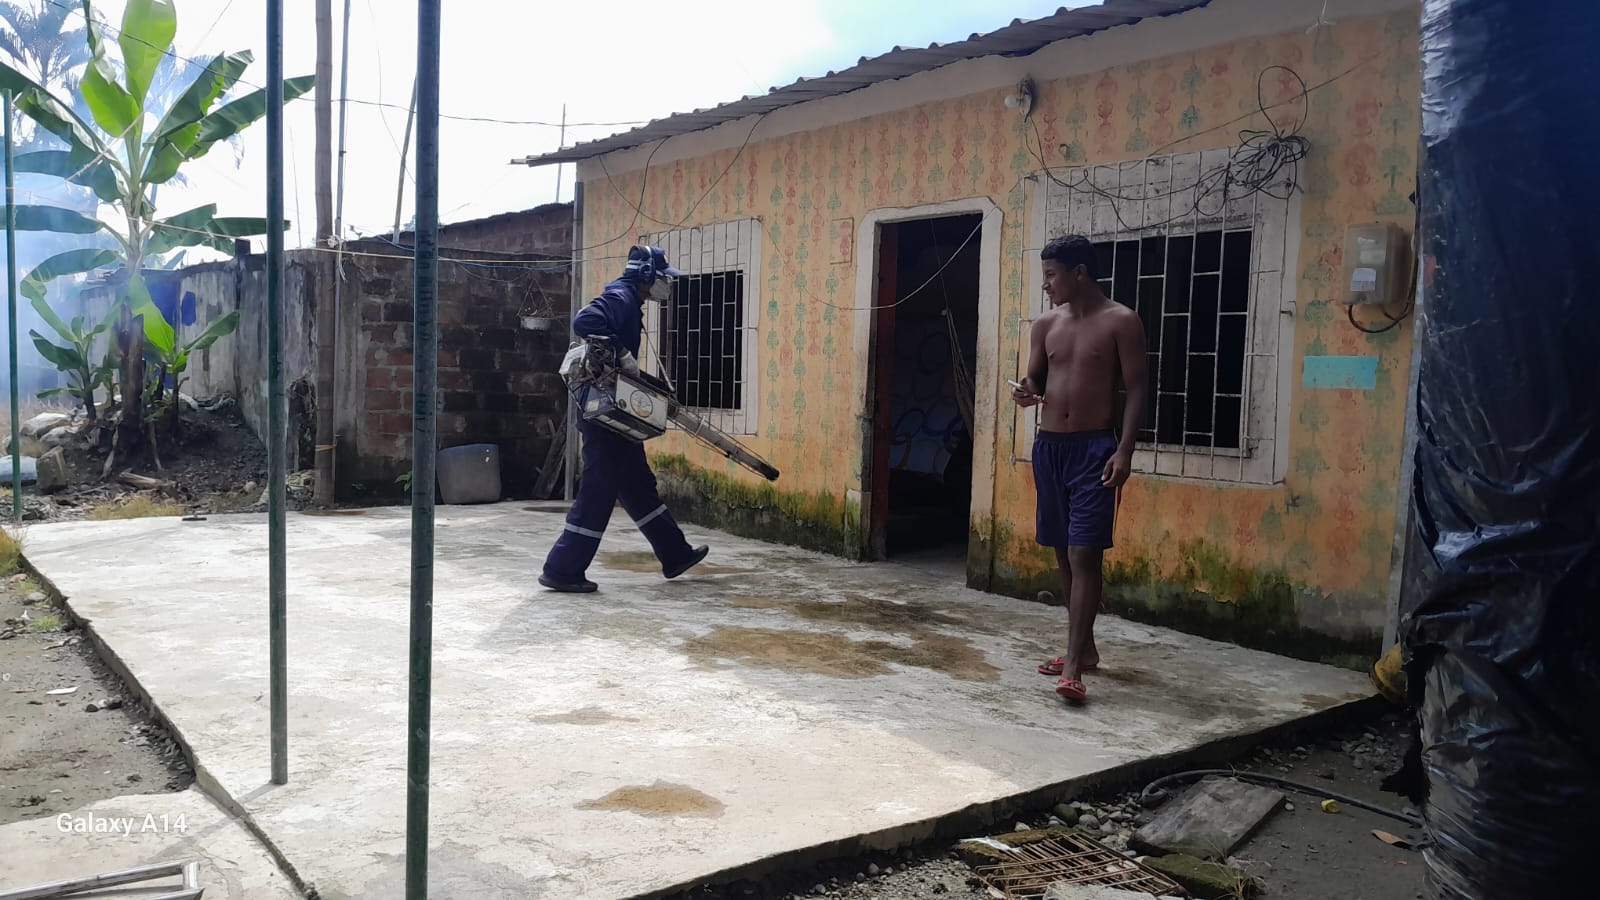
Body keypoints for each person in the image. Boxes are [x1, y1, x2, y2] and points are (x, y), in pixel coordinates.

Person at [1012, 235, 1147, 703]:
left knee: (1084, 553)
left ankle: (1072, 668)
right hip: (1050, 448)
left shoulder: (1122, 321)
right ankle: (1084, 649)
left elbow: (1137, 389)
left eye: (1052, 275)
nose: (1046, 285)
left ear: (1080, 274)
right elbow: (1035, 376)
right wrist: (1026, 390)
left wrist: (1124, 451)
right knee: (1062, 551)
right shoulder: (1045, 324)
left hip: (1095, 449)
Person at [539, 245, 710, 593]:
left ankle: (675, 553)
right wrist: (619, 350)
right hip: (605, 416)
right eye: (662, 277)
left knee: (637, 486)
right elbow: (584, 321)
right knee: (599, 489)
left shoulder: (631, 301)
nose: (666, 284)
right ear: (646, 275)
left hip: (616, 413)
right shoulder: (621, 296)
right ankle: (562, 569)